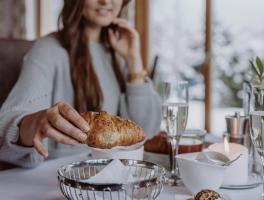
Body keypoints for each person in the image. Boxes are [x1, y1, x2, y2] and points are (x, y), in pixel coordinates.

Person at [0, 0, 161, 168]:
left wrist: (133, 60)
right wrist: (33, 124)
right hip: (57, 179)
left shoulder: (118, 54)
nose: (106, 1)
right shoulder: (48, 50)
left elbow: (146, 133)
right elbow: (6, 128)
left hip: (110, 178)